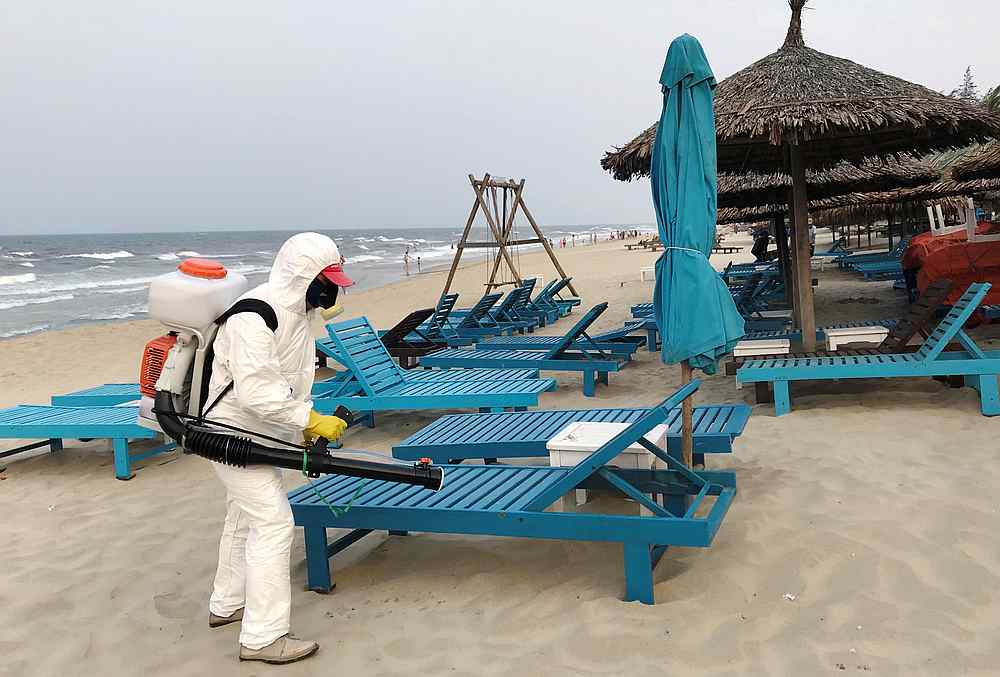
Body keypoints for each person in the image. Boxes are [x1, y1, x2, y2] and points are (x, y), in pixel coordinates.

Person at [204, 232, 354, 665]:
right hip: (228, 430)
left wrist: (304, 429)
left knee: (241, 515)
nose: (333, 291)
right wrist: (309, 420)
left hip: (263, 432)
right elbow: (257, 393)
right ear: (303, 277)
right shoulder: (254, 315)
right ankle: (263, 638)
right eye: (328, 282)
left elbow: (294, 382)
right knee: (272, 523)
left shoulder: (300, 316)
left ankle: (226, 604)